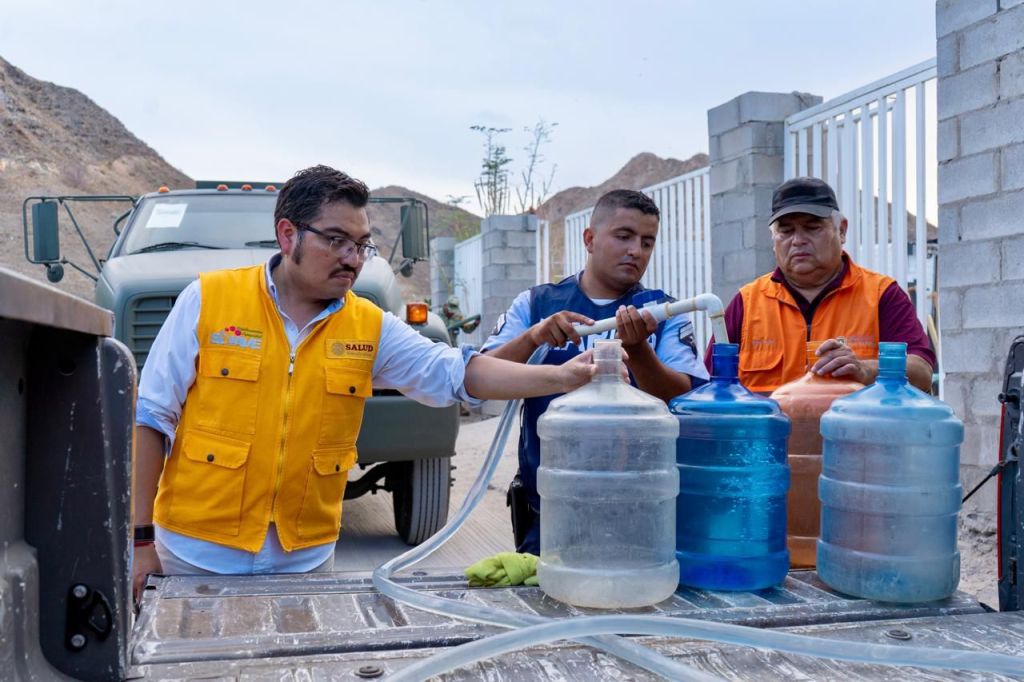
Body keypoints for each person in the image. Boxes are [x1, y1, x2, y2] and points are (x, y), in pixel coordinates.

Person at [131, 165, 604, 598]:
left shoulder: (368, 325)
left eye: (361, 245)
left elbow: (456, 372)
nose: (352, 259)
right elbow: (151, 418)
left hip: (305, 562)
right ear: (287, 234)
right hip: (196, 557)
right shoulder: (209, 300)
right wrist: (139, 541)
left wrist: (561, 376)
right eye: (336, 241)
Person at [482, 189, 710, 554]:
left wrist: (638, 351)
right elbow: (483, 378)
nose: (636, 250)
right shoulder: (537, 304)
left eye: (647, 242)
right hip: (548, 508)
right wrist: (533, 336)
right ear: (589, 239)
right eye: (624, 236)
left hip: (639, 511)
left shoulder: (663, 312)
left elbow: (686, 401)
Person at [705, 176, 935, 394]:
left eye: (812, 227)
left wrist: (866, 370)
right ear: (773, 239)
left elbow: (921, 371)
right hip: (766, 437)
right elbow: (707, 385)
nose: (798, 240)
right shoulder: (746, 303)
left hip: (855, 435)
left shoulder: (881, 295)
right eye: (786, 230)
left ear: (841, 230)